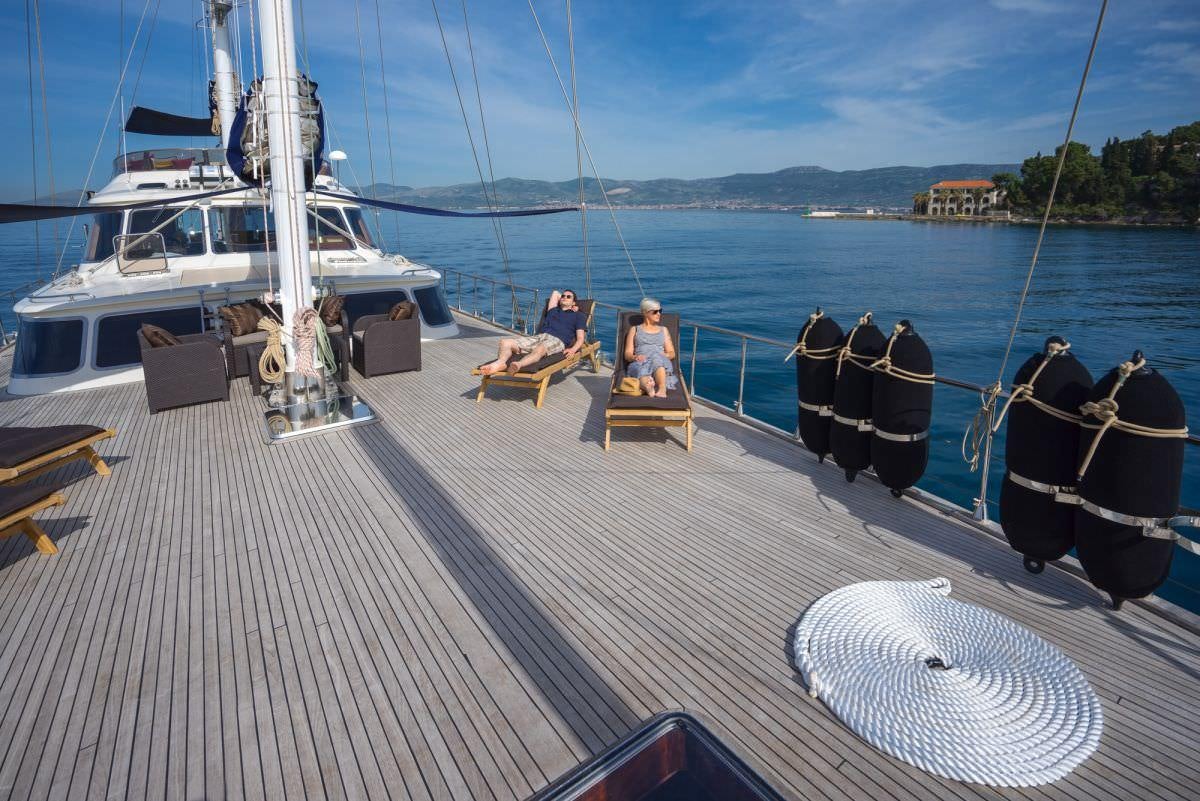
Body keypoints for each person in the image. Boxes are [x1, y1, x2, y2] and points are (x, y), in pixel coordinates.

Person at [480, 289, 587, 375]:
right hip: (540, 336)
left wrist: (573, 350)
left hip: (557, 340)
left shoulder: (578, 316)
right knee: (505, 342)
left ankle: (518, 365)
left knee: (540, 349)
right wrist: (567, 301)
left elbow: (581, 338)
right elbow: (555, 293)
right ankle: (501, 363)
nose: (564, 297)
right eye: (563, 296)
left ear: (573, 302)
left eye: (569, 297)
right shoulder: (553, 310)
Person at [625, 298, 678, 397]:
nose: (659, 314)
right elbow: (627, 354)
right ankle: (648, 387)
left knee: (657, 360)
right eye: (655, 312)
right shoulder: (635, 329)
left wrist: (664, 355)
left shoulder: (664, 330)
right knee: (640, 370)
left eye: (660, 311)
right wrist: (635, 357)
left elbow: (672, 353)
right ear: (645, 313)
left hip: (659, 361)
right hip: (641, 361)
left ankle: (662, 389)